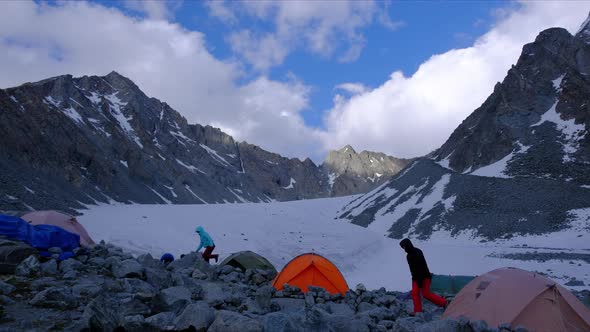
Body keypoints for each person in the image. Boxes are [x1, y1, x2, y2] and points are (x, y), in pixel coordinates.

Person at [399, 238, 447, 315]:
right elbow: (413, 269)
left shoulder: (415, 253)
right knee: (415, 294)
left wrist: (420, 281)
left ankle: (444, 302)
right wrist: (416, 279)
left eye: (404, 246)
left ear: (408, 245)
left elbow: (421, 267)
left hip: (424, 277)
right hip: (416, 277)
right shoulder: (411, 254)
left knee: (425, 294)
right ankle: (418, 311)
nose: (403, 248)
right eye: (402, 247)